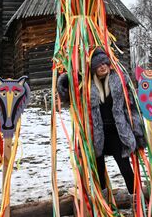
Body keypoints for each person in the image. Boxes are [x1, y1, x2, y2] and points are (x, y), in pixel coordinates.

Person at [57, 48, 146, 193]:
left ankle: (137, 197)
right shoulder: (87, 85)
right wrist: (65, 83)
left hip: (117, 133)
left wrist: (137, 131)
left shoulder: (119, 81)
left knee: (125, 168)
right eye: (98, 65)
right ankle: (103, 202)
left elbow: (131, 106)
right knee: (99, 170)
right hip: (96, 134)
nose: (103, 66)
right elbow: (71, 98)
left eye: (104, 63)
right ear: (93, 68)